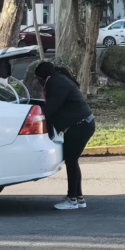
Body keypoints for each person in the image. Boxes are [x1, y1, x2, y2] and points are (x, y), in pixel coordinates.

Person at [35, 62, 96, 210]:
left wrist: (34, 113)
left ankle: (72, 200)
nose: (39, 82)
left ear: (44, 77)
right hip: (83, 124)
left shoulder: (57, 83)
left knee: (71, 161)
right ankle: (79, 198)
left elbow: (51, 108)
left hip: (79, 126)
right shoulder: (59, 79)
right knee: (72, 161)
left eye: (39, 79)